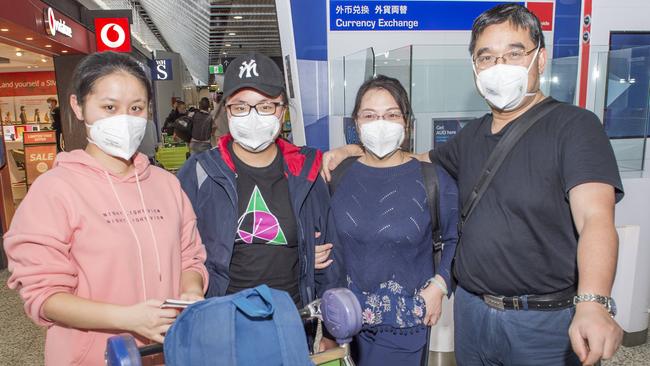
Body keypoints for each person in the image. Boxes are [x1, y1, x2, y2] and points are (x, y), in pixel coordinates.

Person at [323, 4, 624, 365]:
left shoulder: (574, 127)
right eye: (486, 57)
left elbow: (596, 218)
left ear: (540, 60)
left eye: (514, 53)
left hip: (542, 322)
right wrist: (356, 149)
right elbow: (415, 159)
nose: (499, 67)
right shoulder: (474, 136)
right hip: (473, 312)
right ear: (475, 68)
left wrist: (594, 302)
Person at [4, 51, 208, 366]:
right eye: (109, 107)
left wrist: (191, 293)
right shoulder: (55, 190)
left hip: (169, 351)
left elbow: (189, 258)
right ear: (78, 106)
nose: (124, 119)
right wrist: (128, 318)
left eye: (136, 108)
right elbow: (44, 296)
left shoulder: (165, 185)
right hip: (93, 356)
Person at [177, 52, 343, 349]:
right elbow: (180, 250)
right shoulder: (200, 172)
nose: (253, 116)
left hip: (290, 325)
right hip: (221, 329)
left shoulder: (306, 171)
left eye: (265, 106)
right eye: (240, 106)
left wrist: (330, 331)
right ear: (226, 111)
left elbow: (328, 255)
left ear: (282, 110)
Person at [330, 75, 458, 365]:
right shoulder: (338, 176)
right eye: (370, 115)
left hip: (405, 323)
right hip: (342, 322)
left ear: (407, 123)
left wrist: (439, 285)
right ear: (356, 124)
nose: (381, 123)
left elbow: (456, 238)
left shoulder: (432, 179)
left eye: (391, 115)